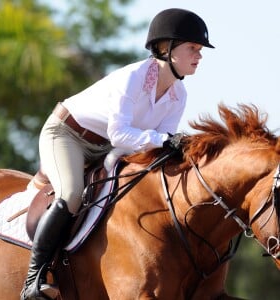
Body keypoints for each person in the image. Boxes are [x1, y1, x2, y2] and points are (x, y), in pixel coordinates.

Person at [20, 7, 214, 300]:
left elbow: (156, 146)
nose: (199, 56)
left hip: (107, 147)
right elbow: (122, 134)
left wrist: (175, 146)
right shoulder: (134, 78)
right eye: (193, 48)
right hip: (67, 134)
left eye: (200, 50)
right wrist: (165, 140)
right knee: (72, 194)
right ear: (166, 48)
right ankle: (34, 278)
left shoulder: (178, 95)